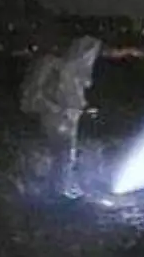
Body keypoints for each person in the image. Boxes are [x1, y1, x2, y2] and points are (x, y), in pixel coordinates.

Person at [20, 36, 103, 195]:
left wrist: (79, 109)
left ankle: (61, 187)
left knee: (67, 154)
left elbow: (76, 93)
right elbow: (36, 93)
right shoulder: (53, 65)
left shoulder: (72, 71)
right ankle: (57, 190)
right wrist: (56, 109)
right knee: (62, 152)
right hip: (57, 115)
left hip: (69, 115)